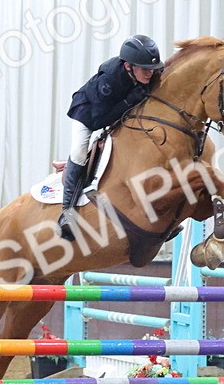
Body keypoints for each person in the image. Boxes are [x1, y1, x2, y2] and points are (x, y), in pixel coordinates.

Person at [58, 34, 164, 240]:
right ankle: (66, 212)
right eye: (144, 69)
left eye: (152, 69)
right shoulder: (109, 82)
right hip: (88, 113)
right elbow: (99, 120)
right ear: (128, 66)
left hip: (118, 114)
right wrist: (128, 102)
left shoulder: (147, 71)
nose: (150, 74)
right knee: (79, 152)